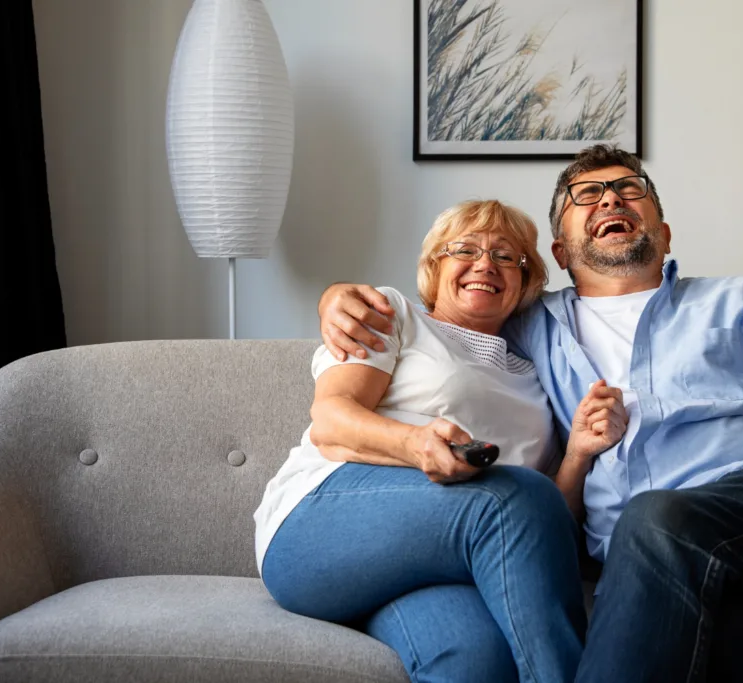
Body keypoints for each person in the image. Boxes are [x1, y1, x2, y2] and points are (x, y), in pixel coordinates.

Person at [318, 144, 743, 682]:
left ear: (664, 235)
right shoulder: (525, 330)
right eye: (587, 196)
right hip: (667, 575)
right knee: (725, 650)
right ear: (560, 252)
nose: (611, 200)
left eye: (628, 189)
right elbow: (444, 322)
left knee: (654, 519)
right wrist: (339, 297)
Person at [254, 199, 628, 683]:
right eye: (465, 250)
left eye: (505, 256)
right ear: (434, 266)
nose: (485, 264)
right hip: (316, 528)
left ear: (526, 280)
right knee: (510, 499)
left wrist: (576, 452)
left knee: (477, 662)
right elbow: (331, 420)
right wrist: (416, 445)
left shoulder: (534, 378)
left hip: (430, 563)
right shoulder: (393, 314)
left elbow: (541, 524)